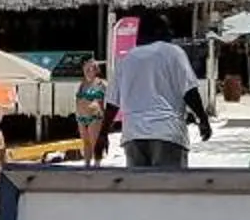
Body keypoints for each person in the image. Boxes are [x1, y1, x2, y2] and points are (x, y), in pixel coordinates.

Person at [110, 25, 210, 170]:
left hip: (133, 134)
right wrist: (203, 118)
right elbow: (189, 91)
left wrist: (102, 133)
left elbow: (112, 101)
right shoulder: (174, 53)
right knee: (168, 188)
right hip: (167, 132)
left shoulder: (127, 58)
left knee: (139, 189)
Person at [75, 58, 111, 165]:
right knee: (86, 143)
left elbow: (110, 99)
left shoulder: (101, 84)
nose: (89, 70)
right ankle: (87, 164)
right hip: (81, 116)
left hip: (95, 116)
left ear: (96, 70)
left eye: (91, 68)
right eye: (87, 68)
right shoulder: (82, 84)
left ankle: (97, 164)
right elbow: (78, 100)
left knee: (94, 142)